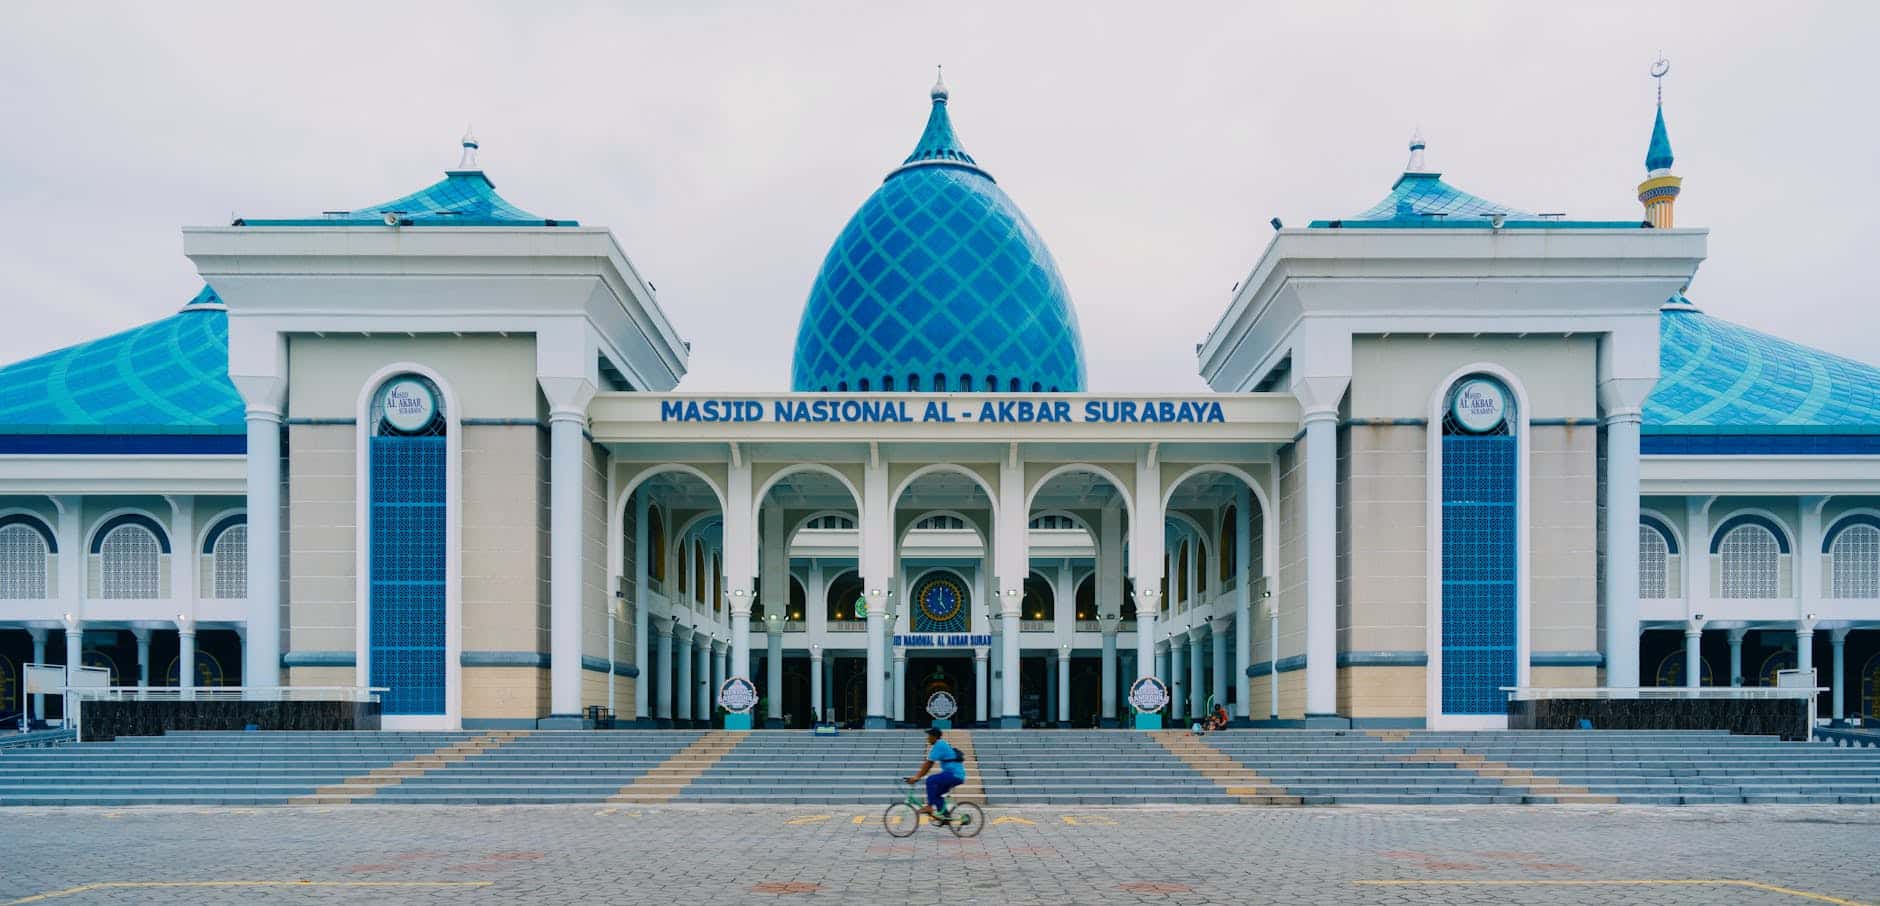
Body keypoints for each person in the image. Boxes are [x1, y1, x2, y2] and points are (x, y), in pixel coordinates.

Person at [904, 727, 967, 820]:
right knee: (936, 794)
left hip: (954, 775)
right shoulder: (940, 745)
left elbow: (928, 763)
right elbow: (928, 764)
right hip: (955, 775)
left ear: (934, 737)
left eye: (929, 736)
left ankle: (929, 807)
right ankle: (945, 816)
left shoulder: (939, 745)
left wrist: (917, 777)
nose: (927, 738)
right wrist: (918, 776)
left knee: (931, 780)